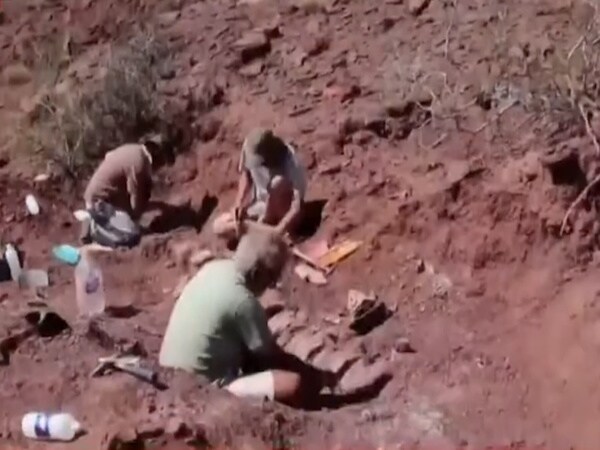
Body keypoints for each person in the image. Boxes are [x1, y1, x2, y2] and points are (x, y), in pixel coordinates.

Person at [158, 227, 337, 407]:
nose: (270, 286)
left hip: (168, 371)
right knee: (293, 384)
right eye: (271, 279)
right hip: (199, 388)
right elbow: (268, 357)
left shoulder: (213, 268)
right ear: (256, 273)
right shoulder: (244, 302)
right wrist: (314, 376)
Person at [212, 128, 306, 242]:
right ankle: (261, 232)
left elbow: (296, 206)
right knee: (219, 226)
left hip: (283, 214)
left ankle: (269, 234)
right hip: (260, 207)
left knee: (277, 183)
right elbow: (246, 175)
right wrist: (238, 204)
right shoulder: (249, 147)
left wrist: (279, 229)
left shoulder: (292, 164)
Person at [78, 134, 171, 248]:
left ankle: (96, 220)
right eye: (163, 161)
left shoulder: (133, 150)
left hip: (100, 196)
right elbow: (135, 198)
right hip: (100, 202)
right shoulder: (139, 164)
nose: (161, 166)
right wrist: (135, 222)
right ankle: (97, 230)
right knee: (132, 236)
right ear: (157, 154)